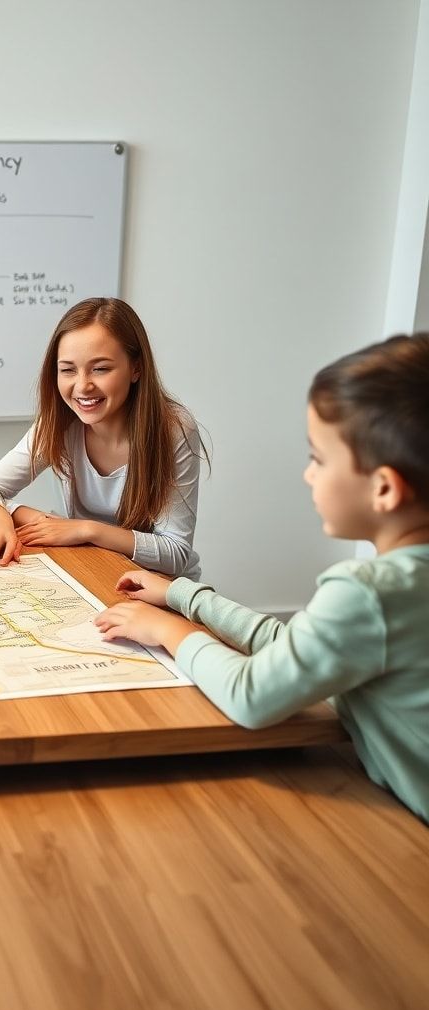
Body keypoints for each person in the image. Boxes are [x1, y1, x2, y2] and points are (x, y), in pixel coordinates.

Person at [95, 334, 429, 823]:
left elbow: (251, 696)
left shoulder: (369, 594)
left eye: (319, 459)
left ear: (383, 488)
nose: (308, 476)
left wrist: (167, 629)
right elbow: (295, 643)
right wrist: (184, 594)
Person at [0, 297, 207, 577]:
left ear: (136, 368)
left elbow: (175, 553)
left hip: (161, 588)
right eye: (67, 370)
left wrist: (86, 529)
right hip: (93, 571)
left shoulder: (174, 428)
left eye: (100, 369)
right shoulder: (60, 423)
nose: (82, 386)